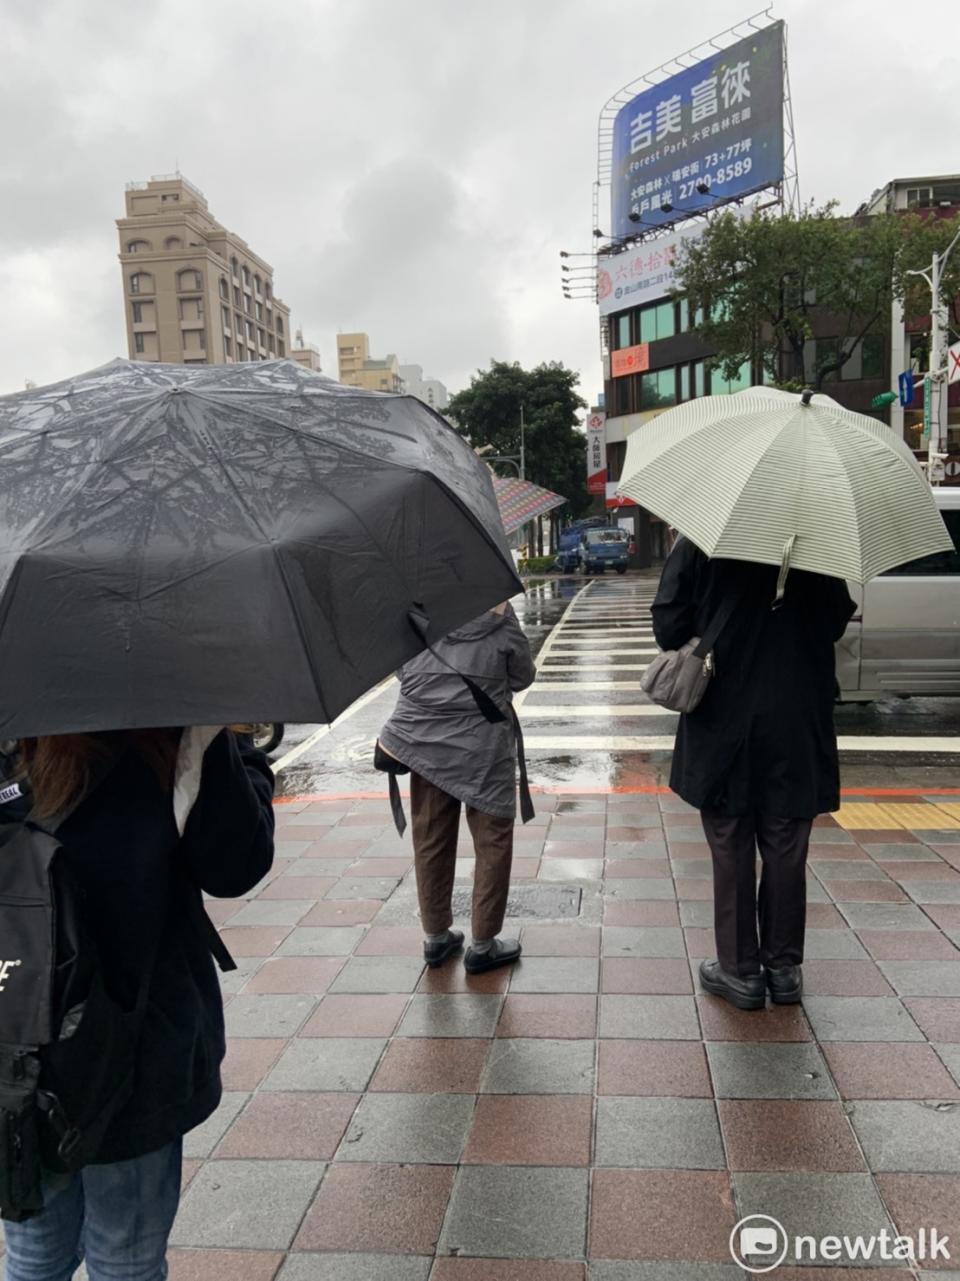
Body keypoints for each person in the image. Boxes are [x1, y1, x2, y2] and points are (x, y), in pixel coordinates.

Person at [1, 727, 275, 1281]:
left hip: (18, 1037)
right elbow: (234, 865)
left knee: (34, 1255)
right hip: (137, 1046)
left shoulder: (15, 708)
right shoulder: (170, 723)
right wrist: (220, 744)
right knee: (124, 1259)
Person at [652, 538, 855, 1010]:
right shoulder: (817, 543)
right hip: (797, 712)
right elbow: (833, 622)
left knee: (731, 840)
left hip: (725, 714)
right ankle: (783, 968)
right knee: (786, 841)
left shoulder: (705, 541)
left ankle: (740, 970)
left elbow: (669, 626)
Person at [377, 602, 535, 974]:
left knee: (431, 836)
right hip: (484, 748)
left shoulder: (415, 611)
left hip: (424, 745)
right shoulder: (500, 616)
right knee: (492, 839)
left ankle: (435, 937)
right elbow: (522, 676)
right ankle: (483, 945)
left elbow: (402, 671)